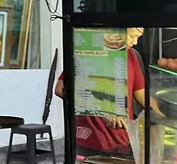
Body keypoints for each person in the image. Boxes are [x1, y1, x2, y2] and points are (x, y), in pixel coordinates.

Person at [55, 27, 161, 156]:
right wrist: (101, 111)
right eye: (132, 36)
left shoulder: (131, 55)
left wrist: (164, 115)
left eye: (139, 37)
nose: (136, 42)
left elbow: (140, 93)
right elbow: (60, 89)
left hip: (123, 139)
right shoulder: (89, 52)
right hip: (91, 140)